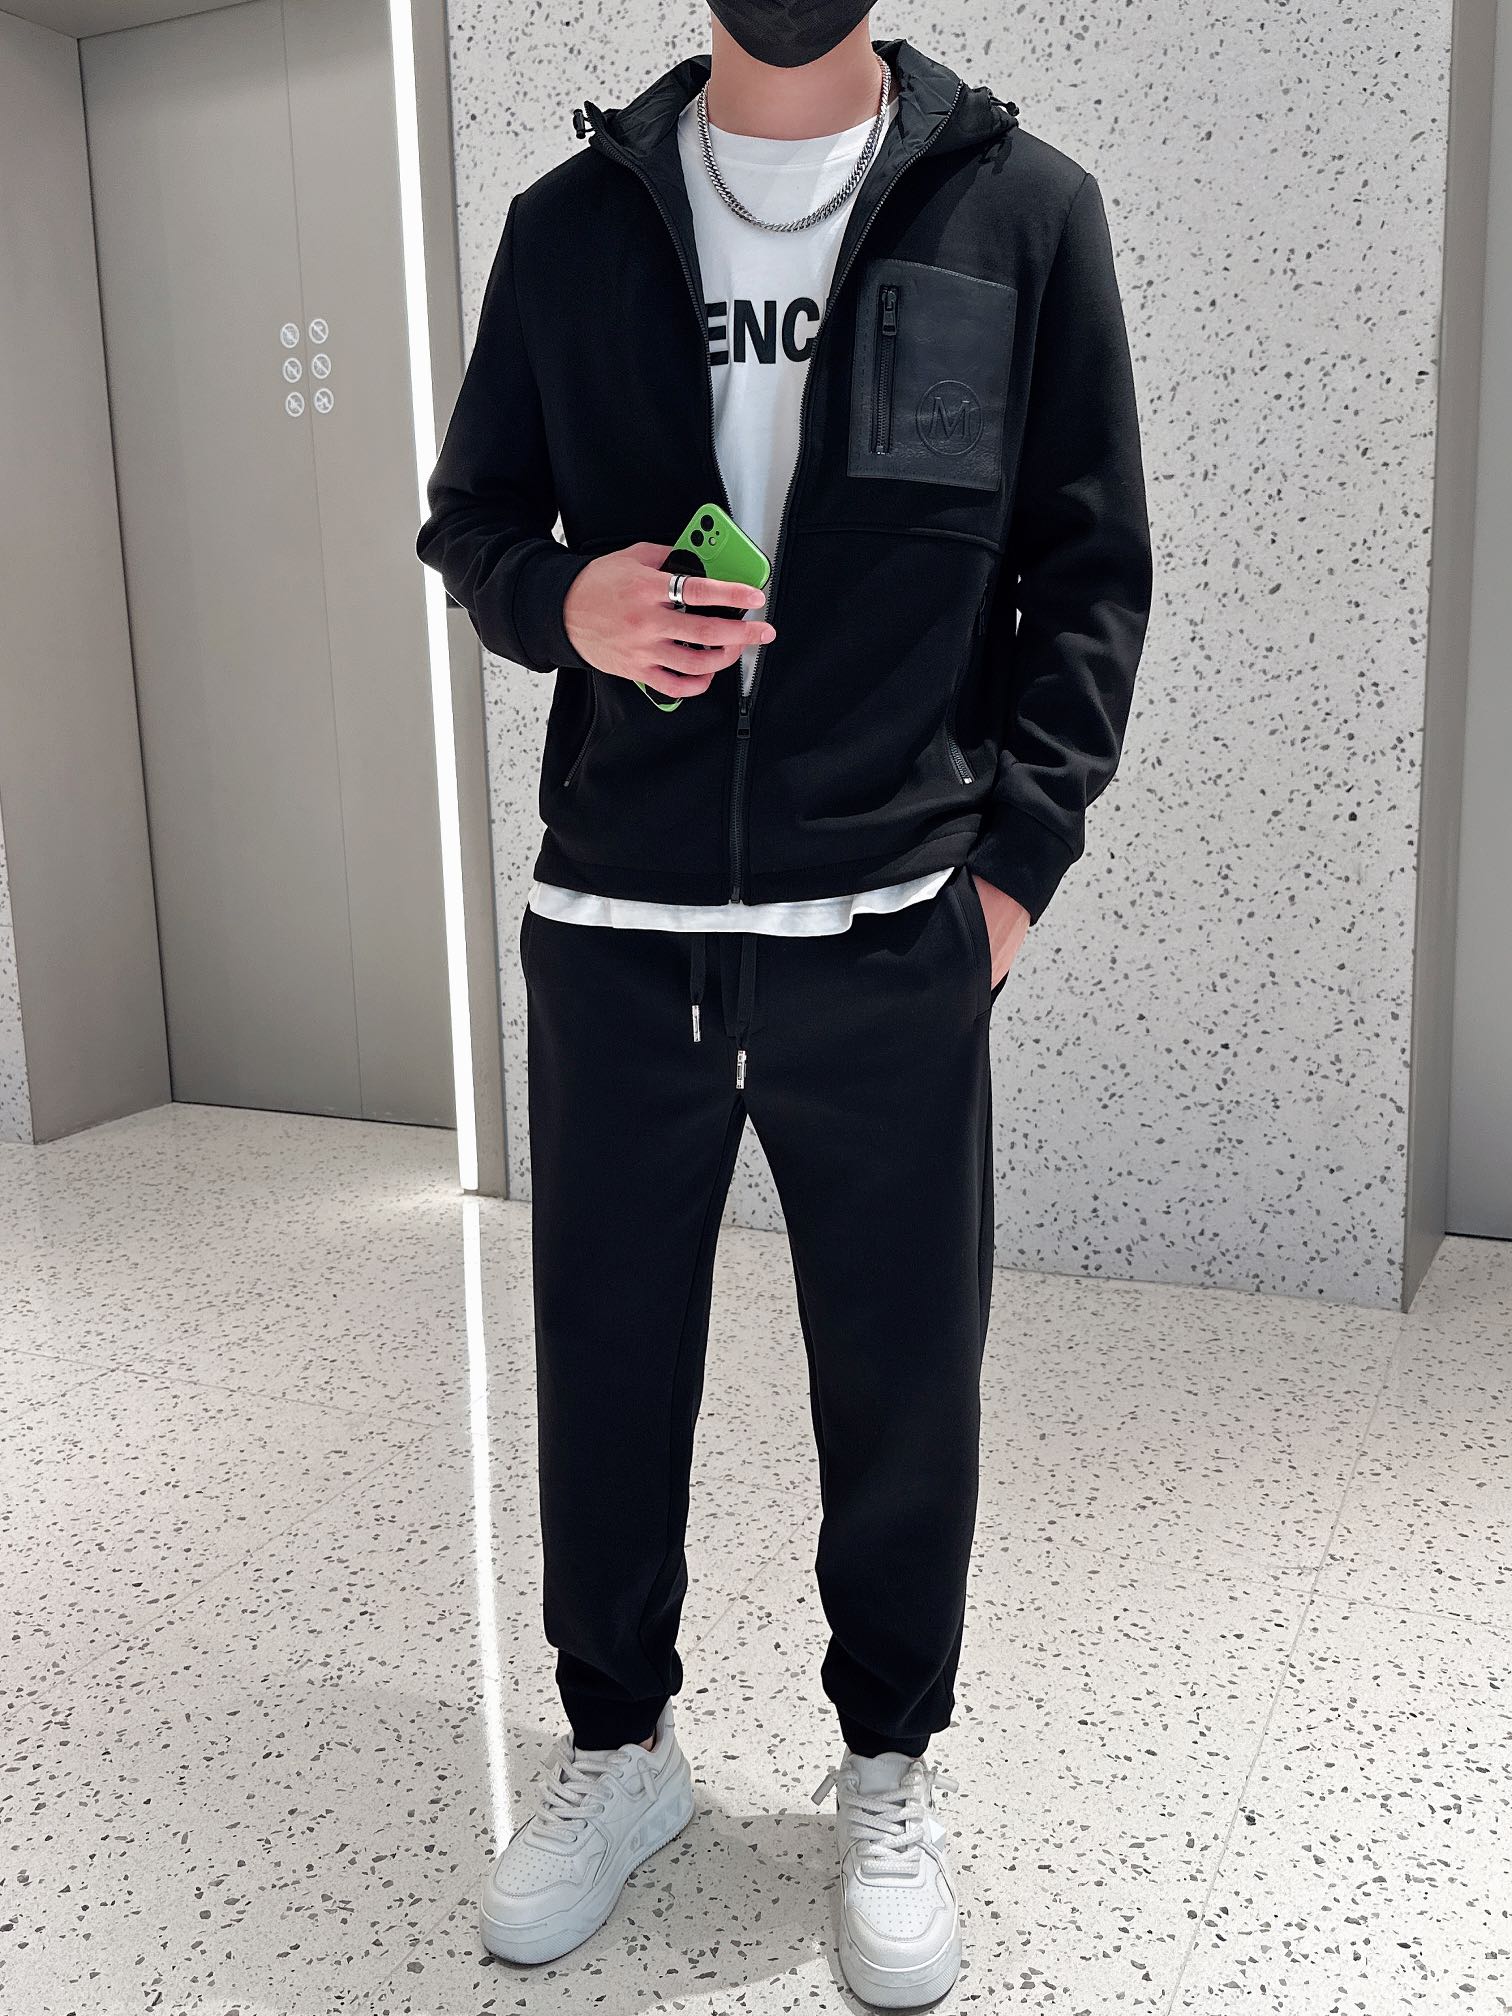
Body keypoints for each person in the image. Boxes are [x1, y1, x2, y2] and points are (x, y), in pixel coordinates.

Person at [416, 0, 1150, 2003]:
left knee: (904, 1383)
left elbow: (1088, 571)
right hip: (616, 925)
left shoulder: (1023, 214)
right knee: (606, 1367)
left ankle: (887, 1767)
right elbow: (471, 519)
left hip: (893, 930)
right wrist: (564, 601)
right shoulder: (573, 223)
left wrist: (1010, 880)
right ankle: (620, 1751)